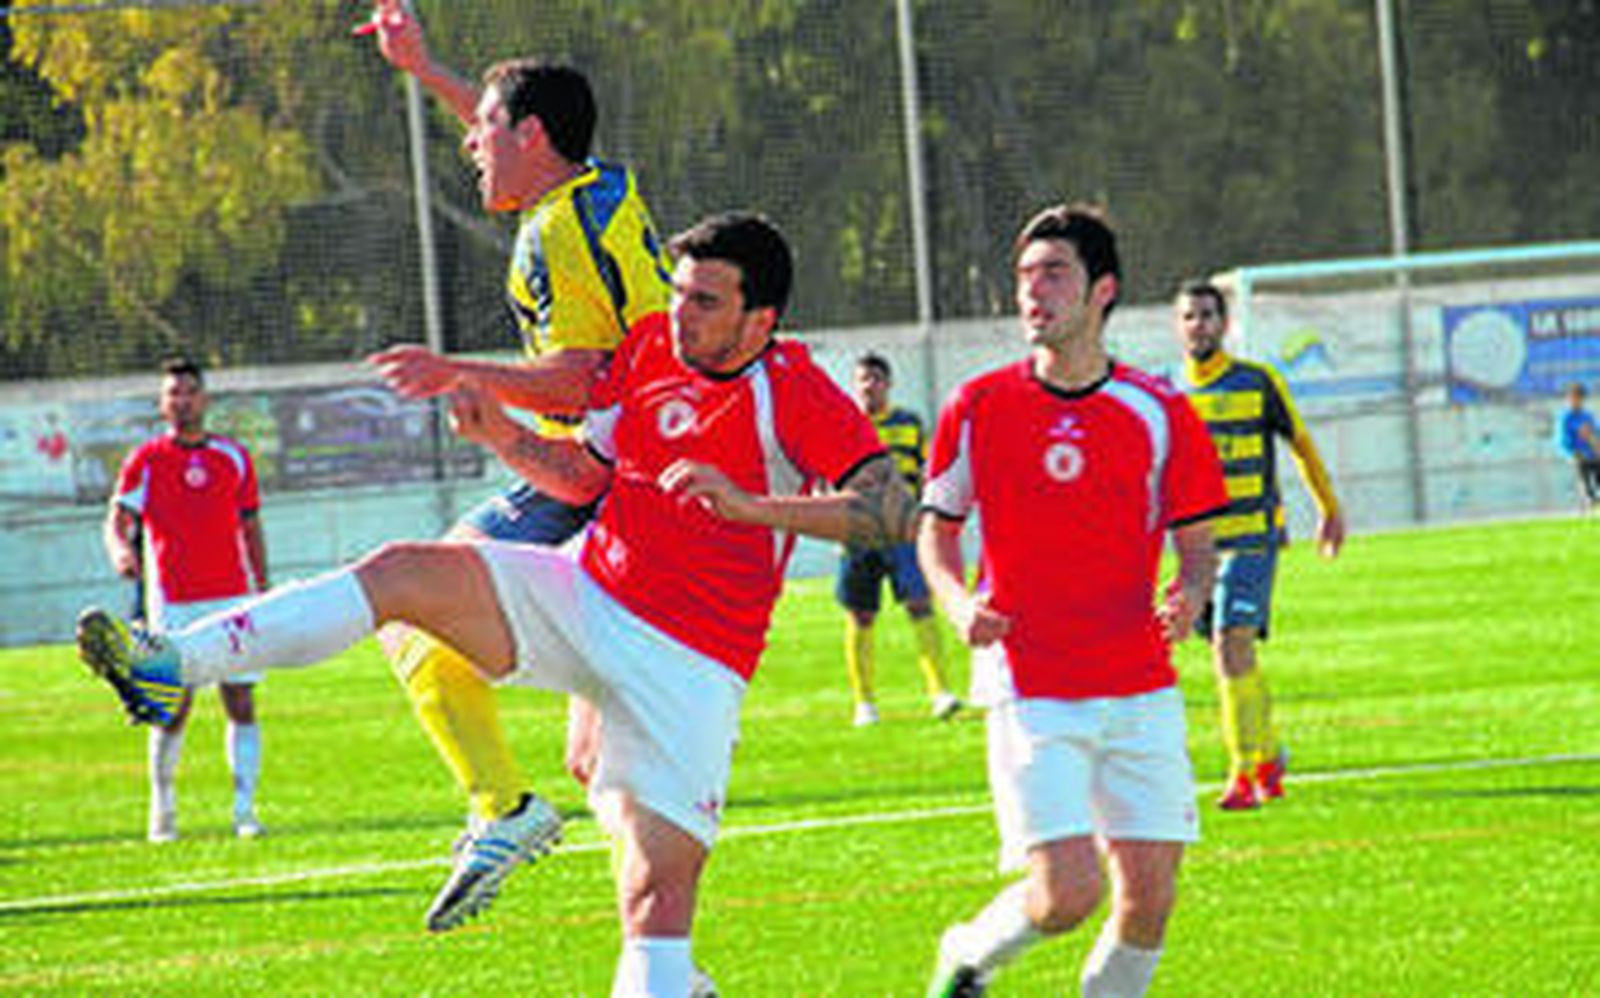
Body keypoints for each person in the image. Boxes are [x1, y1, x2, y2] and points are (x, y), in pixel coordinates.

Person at [76, 212, 911, 997]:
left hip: (691, 663)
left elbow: (889, 510)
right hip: (586, 591)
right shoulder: (652, 345)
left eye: (705, 300)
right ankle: (170, 662)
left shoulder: (797, 389)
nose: (679, 313)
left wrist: (750, 506)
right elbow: (588, 477)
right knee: (402, 572)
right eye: (677, 292)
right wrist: (500, 438)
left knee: (654, 914)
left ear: (760, 320)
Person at [353, 0, 673, 931]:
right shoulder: (598, 189)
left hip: (599, 472)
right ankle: (663, 959)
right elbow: (508, 130)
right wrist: (428, 71)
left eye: (486, 131)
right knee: (601, 760)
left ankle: (503, 808)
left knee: (408, 606)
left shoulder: (555, 231)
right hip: (636, 466)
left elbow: (581, 380)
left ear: (530, 135)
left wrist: (458, 372)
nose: (472, 147)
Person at [919, 204, 1227, 998]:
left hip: (1139, 679)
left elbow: (1197, 541)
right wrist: (957, 605)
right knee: (1067, 894)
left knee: (1151, 897)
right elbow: (936, 532)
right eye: (1024, 277)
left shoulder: (1162, 412)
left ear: (1103, 291)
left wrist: (1190, 592)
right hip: (1031, 680)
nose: (1033, 292)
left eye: (1053, 274)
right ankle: (970, 954)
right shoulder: (979, 405)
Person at [1173, 280, 1345, 811]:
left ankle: (1242, 773)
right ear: (1177, 327)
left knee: (1231, 648)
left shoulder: (1258, 382)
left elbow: (1301, 444)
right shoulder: (1171, 394)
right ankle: (1268, 754)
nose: (1198, 325)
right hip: (1201, 547)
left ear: (1224, 324)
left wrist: (1329, 508)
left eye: (1207, 315)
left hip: (1253, 537)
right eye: (1189, 316)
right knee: (1231, 658)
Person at [101, 357, 270, 842]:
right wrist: (119, 551)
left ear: (205, 399)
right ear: (162, 403)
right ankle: (164, 809)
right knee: (172, 705)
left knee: (240, 700)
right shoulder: (146, 460)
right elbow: (119, 519)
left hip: (234, 598)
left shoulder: (233, 457)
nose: (182, 400)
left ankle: (245, 810)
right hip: (173, 602)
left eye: (190, 391)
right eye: (173, 392)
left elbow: (251, 525)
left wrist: (262, 586)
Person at [836, 352, 960, 727]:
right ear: (855, 384)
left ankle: (941, 693)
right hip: (858, 534)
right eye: (862, 379)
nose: (869, 386)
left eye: (875, 379)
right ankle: (865, 703)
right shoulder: (843, 424)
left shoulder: (909, 424)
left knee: (920, 605)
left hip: (903, 532)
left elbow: (926, 474)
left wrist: (926, 521)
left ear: (887, 384)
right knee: (861, 615)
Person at [1556, 382, 1600, 510]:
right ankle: (1588, 496)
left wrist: (1595, 444)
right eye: (1572, 398)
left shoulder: (1587, 416)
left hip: (1591, 454)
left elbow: (1595, 433)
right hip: (1576, 455)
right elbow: (1562, 440)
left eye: (1578, 398)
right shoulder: (1565, 417)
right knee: (1582, 467)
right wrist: (1571, 453)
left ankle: (1594, 496)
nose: (1575, 401)